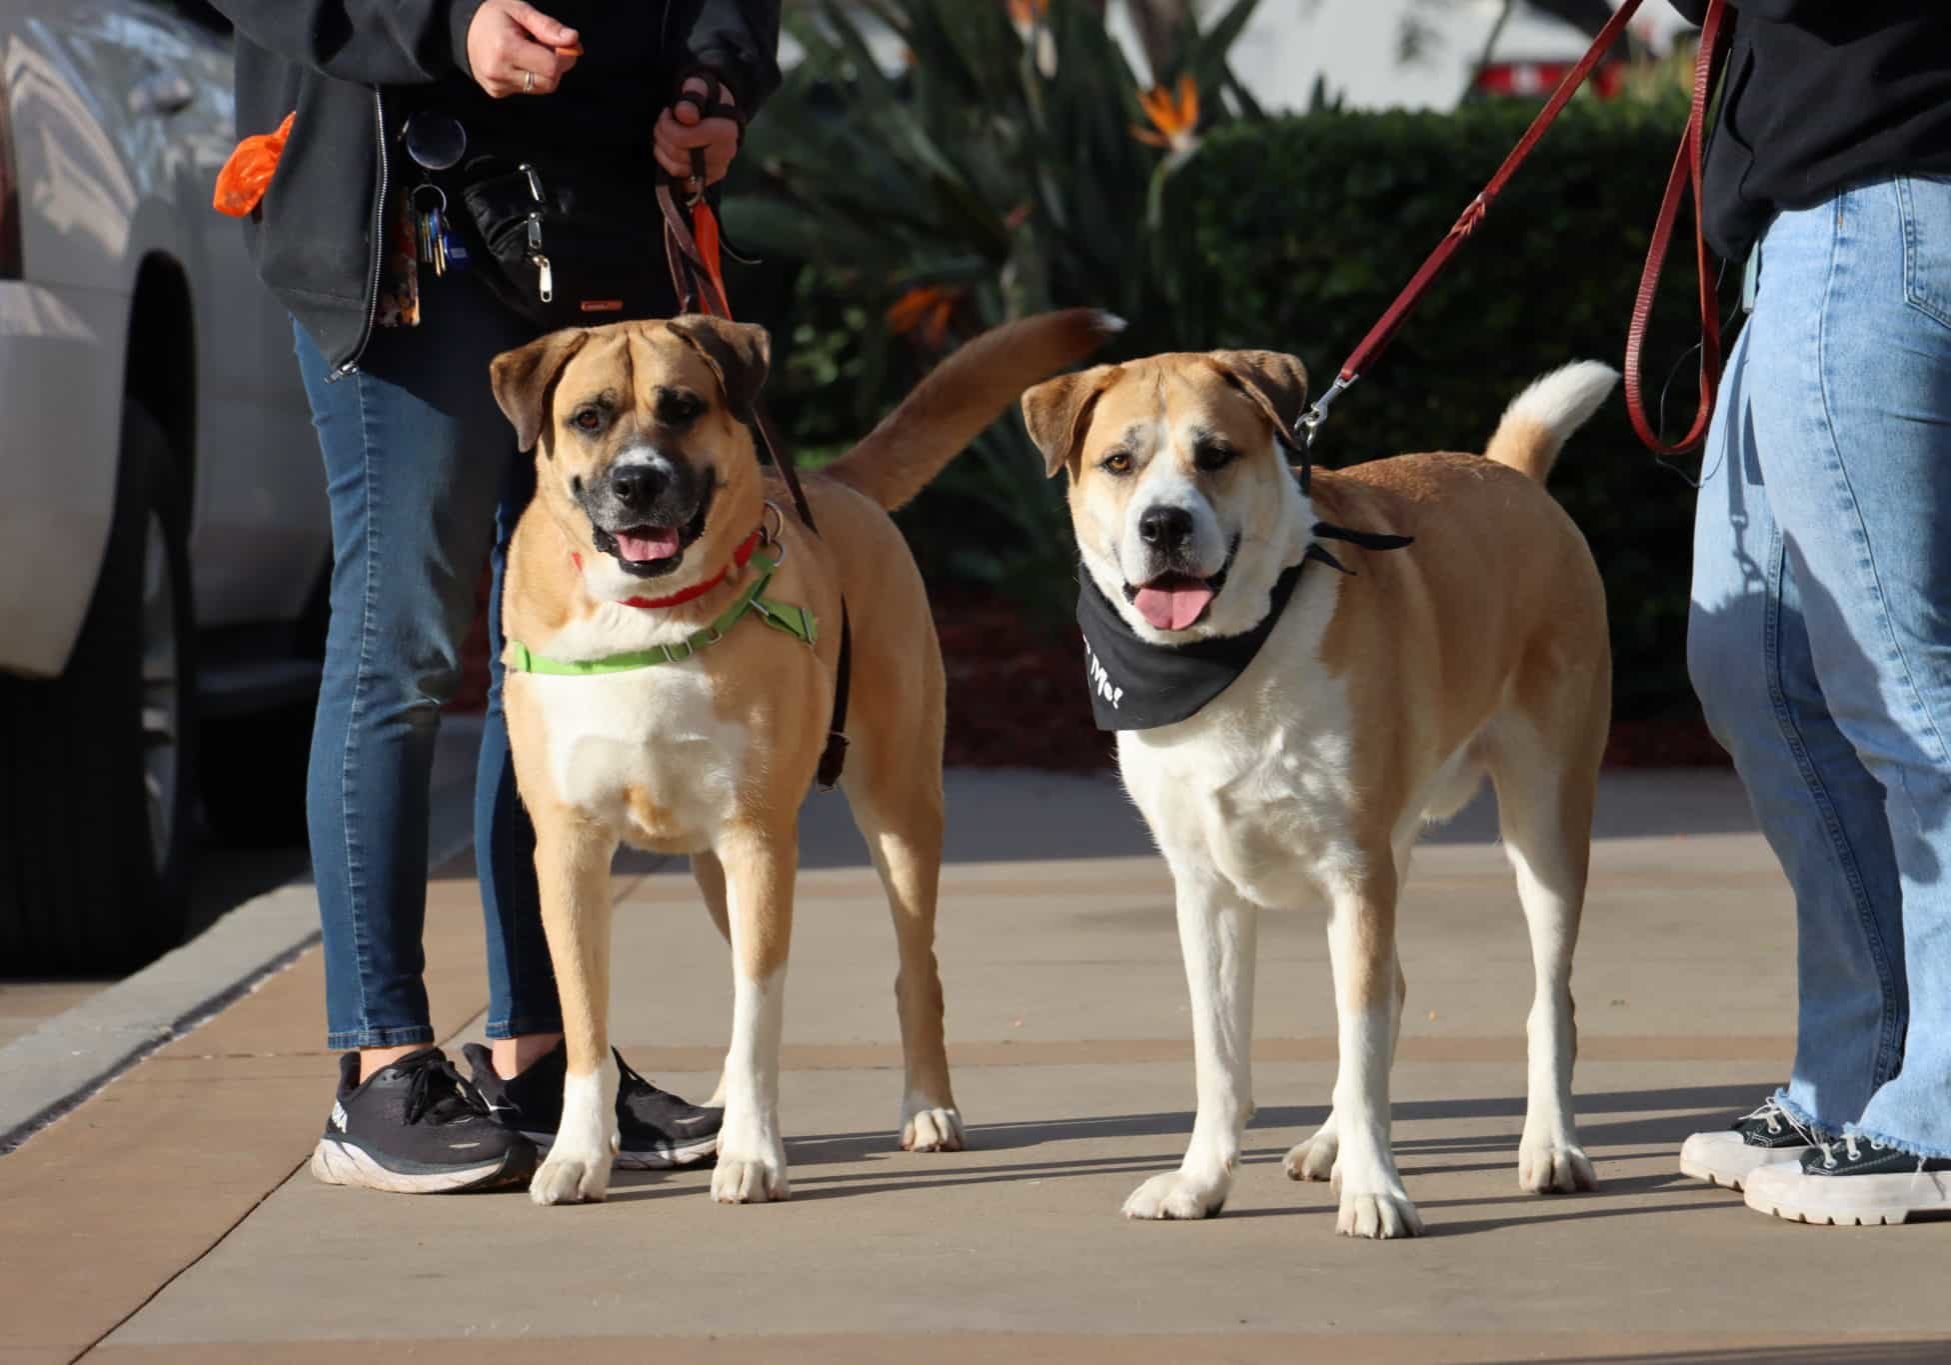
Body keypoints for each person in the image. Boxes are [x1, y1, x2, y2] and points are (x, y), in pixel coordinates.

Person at [211, 0, 781, 1192]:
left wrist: (714, 71)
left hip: (603, 211)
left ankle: (541, 1055)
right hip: (409, 219)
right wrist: (449, 24)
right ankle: (379, 1066)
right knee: (398, 643)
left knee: (554, 653)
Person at [1672, 0, 1951, 1225]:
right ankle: (1855, 1069)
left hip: (1885, 198)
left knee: (1907, 689)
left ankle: (1937, 1111)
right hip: (1800, 234)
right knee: (1753, 663)